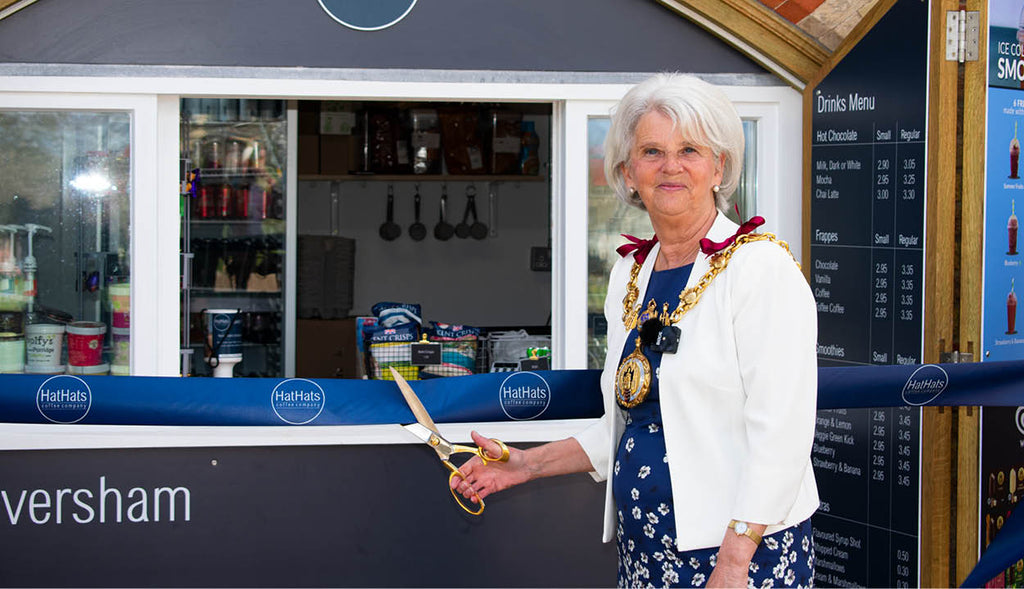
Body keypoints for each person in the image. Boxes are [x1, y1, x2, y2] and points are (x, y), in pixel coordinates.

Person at [455, 73, 819, 588]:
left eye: (689, 149)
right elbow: (630, 423)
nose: (671, 166)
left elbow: (783, 434)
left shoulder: (760, 268)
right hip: (647, 548)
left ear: (719, 167)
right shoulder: (632, 271)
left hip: (740, 554)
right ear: (628, 172)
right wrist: (526, 465)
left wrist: (735, 561)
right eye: (652, 151)